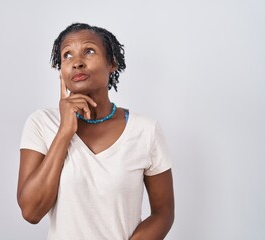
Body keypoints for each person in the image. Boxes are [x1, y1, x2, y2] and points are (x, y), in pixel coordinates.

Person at [17, 23, 174, 240]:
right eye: (67, 55)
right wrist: (64, 132)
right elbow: (31, 212)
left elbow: (163, 212)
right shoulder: (41, 123)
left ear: (112, 63)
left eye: (89, 51)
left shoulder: (145, 130)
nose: (77, 62)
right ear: (60, 71)